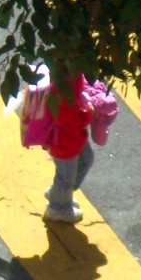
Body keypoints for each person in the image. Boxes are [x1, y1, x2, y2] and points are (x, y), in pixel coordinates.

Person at [43, 70, 95, 224]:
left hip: (74, 138)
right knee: (66, 177)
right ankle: (57, 208)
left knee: (86, 160)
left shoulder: (72, 74)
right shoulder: (62, 90)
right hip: (64, 142)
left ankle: (59, 194)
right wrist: (88, 114)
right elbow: (68, 120)